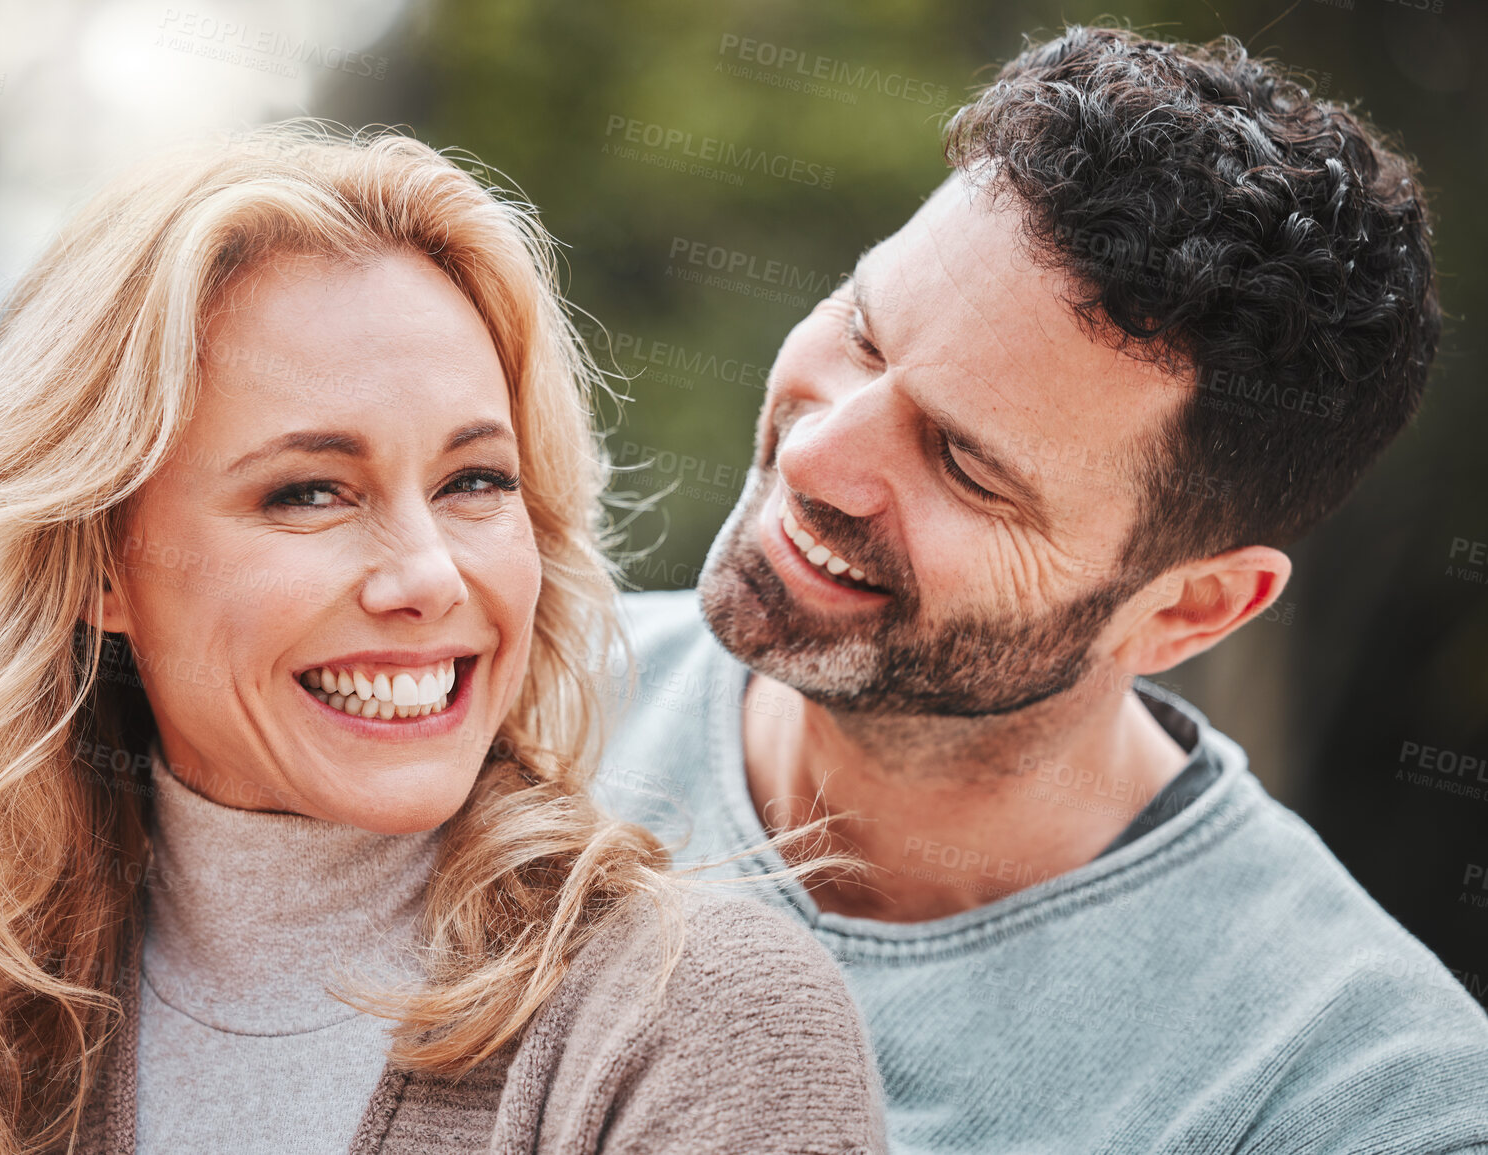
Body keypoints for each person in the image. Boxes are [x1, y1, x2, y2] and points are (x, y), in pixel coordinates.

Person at [0, 125, 886, 1155]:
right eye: (310, 493)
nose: (429, 577)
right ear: (99, 563)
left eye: (474, 480)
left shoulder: (698, 1024)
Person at [594, 26, 1488, 1154]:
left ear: (1187, 610)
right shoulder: (485, 710)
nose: (821, 459)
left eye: (967, 465)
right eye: (862, 333)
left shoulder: (1347, 1103)